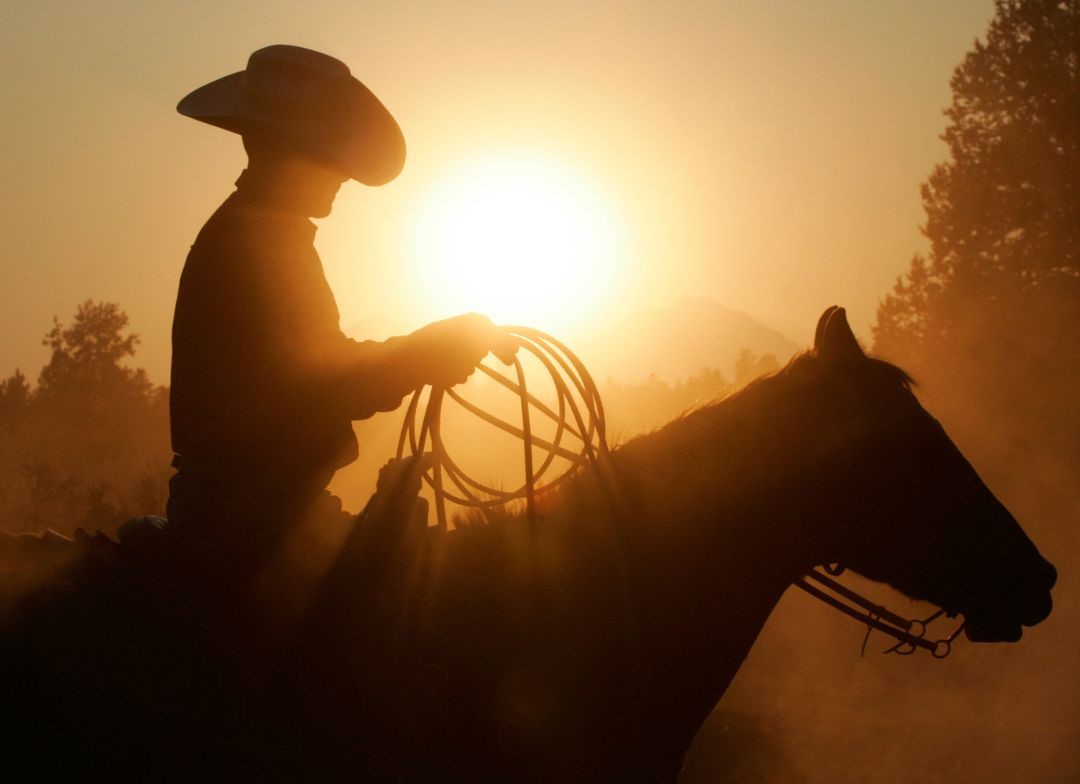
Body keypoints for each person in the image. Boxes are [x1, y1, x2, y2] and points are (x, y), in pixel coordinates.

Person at [168, 44, 513, 563]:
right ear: (291, 156)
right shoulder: (256, 246)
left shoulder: (256, 234)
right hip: (247, 528)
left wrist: (436, 348)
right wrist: (438, 346)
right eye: (332, 158)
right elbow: (326, 381)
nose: (344, 175)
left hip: (259, 510)